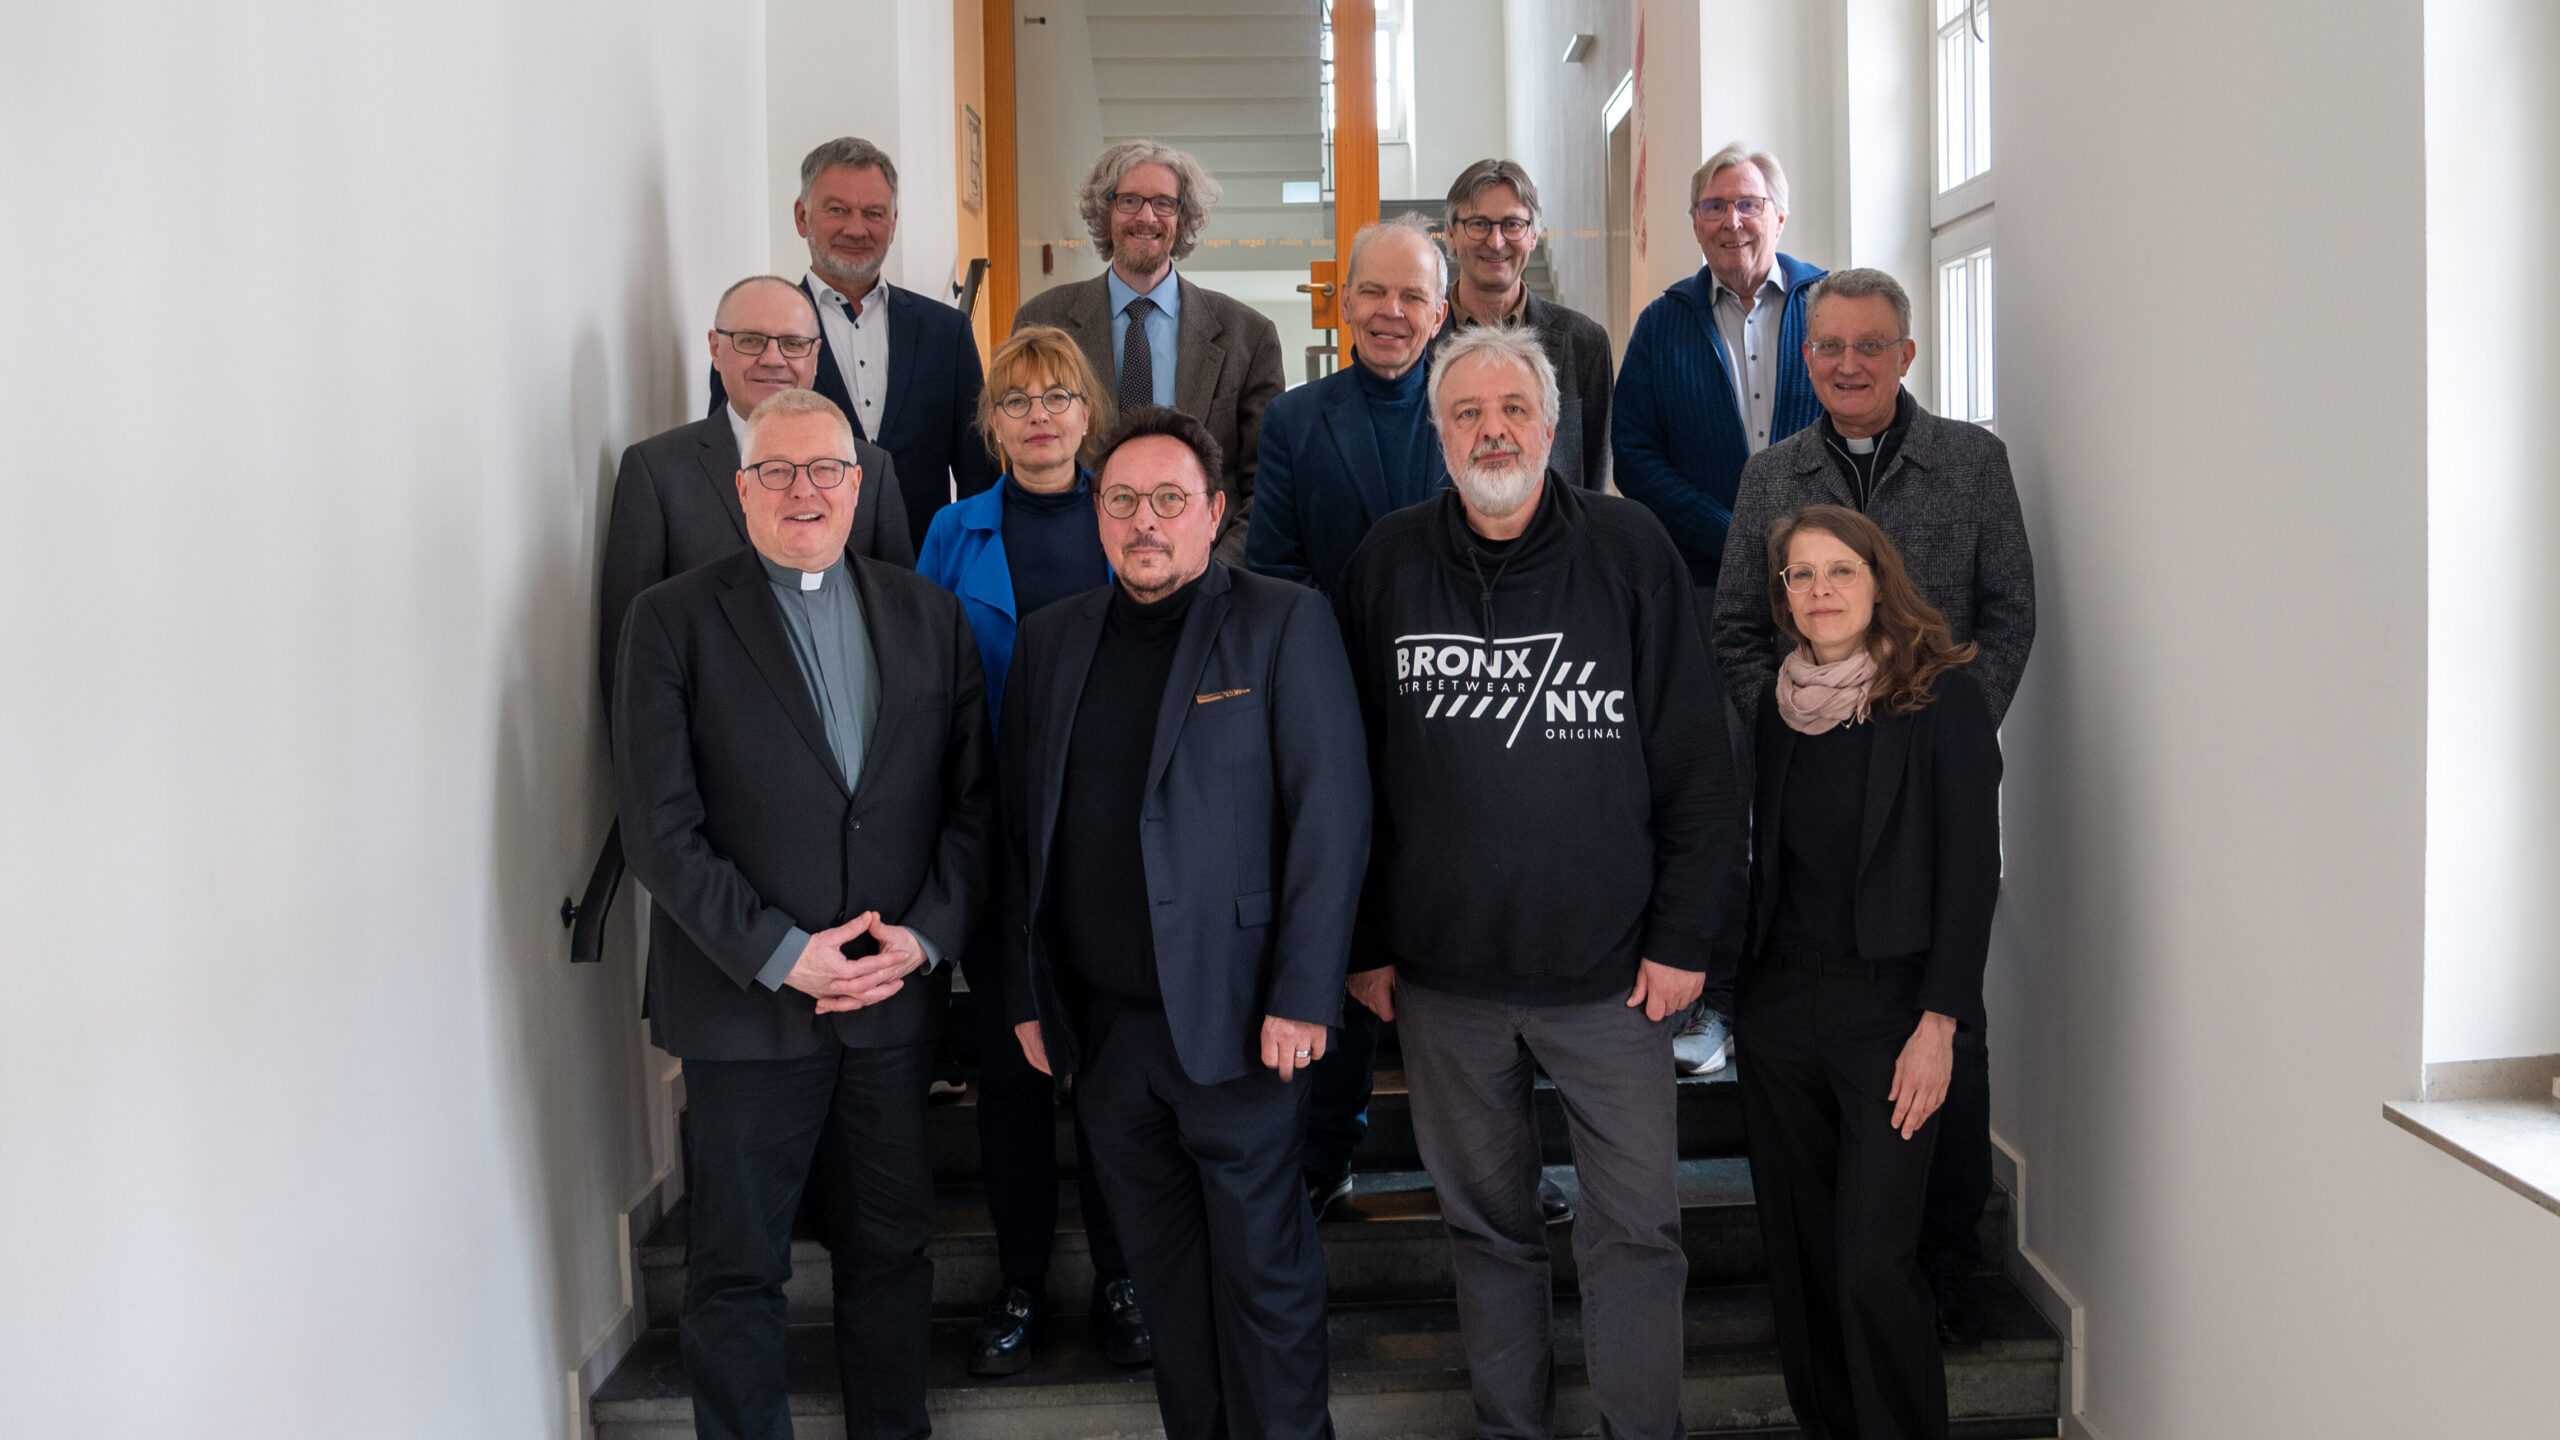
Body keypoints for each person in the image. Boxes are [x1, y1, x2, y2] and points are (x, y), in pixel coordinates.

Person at [1332, 326, 1745, 1440]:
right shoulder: (1385, 562)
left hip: (1615, 979)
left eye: (1513, 409)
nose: (1492, 432)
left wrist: (1685, 941)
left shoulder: (1630, 547)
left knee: (1636, 1235)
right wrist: (1365, 944)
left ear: (1554, 428)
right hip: (1445, 981)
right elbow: (1346, 777)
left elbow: (1697, 762)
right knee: (1487, 1231)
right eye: (1466, 413)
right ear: (1437, 434)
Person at [611, 387, 992, 1440]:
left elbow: (974, 806)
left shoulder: (930, 616)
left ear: (858, 486)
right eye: (775, 471)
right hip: (745, 1011)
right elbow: (659, 829)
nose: (802, 491)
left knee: (892, 1251)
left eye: (825, 469)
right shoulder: (670, 621)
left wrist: (923, 939)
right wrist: (781, 953)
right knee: (737, 1269)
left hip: (888, 1003)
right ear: (742, 492)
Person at [1002, 407, 1369, 1440]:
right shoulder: (1051, 640)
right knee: (1166, 1292)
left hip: (1244, 1024)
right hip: (1106, 1038)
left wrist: (1305, 993)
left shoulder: (1282, 620)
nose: (1145, 521)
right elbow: (1020, 831)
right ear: (1097, 515)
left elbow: (1332, 816)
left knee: (1265, 1282)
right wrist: (1028, 997)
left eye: (1169, 499)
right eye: (1122, 500)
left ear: (1214, 513)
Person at [1713, 266, 2035, 1349]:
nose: (1847, 363)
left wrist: (1934, 729)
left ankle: (1945, 1270)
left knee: (1950, 1060)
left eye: (1868, 345)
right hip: (1812, 797)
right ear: (1804, 360)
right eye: (1828, 347)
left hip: (1928, 792)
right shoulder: (1770, 476)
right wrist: (1794, 729)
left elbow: (2011, 611)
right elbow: (1736, 626)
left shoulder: (1972, 463)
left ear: (1906, 354)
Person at [1734, 504, 2002, 1440]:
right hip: (1780, 1010)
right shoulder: (1778, 708)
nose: (1821, 591)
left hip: (1892, 1016)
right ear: (1783, 597)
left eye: (1840, 570)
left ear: (1879, 580)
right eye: (1801, 575)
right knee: (1803, 1260)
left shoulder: (1941, 699)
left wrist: (1940, 1025)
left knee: (1872, 1265)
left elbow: (1970, 876)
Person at [913, 325, 1148, 1375]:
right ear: (991, 424)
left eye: (1058, 397)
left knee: (1109, 1076)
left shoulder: (1127, 513)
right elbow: (924, 681)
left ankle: (1123, 1279)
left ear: (1087, 412)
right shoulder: (952, 532)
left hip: (1113, 839)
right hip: (998, 833)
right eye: (1017, 401)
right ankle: (1018, 1284)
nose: (1040, 416)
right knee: (1012, 1079)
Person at [576, 275, 915, 969]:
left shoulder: (871, 470)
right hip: (721, 849)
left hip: (859, 865)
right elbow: (625, 662)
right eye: (751, 340)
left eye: (793, 342)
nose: (773, 358)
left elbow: (903, 641)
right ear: (714, 348)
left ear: (816, 355)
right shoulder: (657, 471)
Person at [1612, 141, 1826, 1077]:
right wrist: (1740, 536)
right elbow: (1634, 455)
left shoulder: (1829, 304)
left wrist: (1804, 546)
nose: (1731, 220)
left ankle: (1797, 1001)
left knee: (1817, 803)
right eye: (1713, 205)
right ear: (1693, 221)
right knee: (1723, 800)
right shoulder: (1664, 324)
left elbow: (1863, 421)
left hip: (1827, 599)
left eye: (1747, 203)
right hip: (1709, 596)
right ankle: (1717, 1001)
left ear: (1779, 213)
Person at [709, 138, 998, 549]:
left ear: (893, 223)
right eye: (837, 210)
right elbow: (723, 463)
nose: (856, 229)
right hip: (794, 566)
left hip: (922, 569)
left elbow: (979, 476)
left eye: (873, 213)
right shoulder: (753, 340)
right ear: (802, 216)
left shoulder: (946, 332)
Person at [1013, 141, 1287, 559]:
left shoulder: (1248, 337)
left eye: (1164, 203)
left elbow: (1266, 488)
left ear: (1183, 217)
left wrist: (1213, 571)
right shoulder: (1042, 321)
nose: (1146, 217)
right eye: (1129, 201)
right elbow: (1020, 455)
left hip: (1206, 572)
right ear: (1104, 212)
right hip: (1073, 565)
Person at [1429, 159, 1615, 491]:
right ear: (1451, 235)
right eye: (1478, 224)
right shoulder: (1420, 339)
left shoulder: (1585, 343)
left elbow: (1592, 480)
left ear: (1533, 236)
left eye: (1513, 224)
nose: (1496, 241)